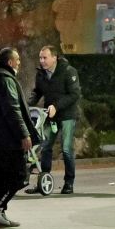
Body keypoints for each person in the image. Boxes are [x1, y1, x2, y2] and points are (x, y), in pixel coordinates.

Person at [0, 47, 41, 229]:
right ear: (9, 62)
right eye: (17, 60)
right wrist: (24, 134)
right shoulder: (5, 80)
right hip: (9, 138)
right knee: (20, 176)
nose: (19, 63)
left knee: (3, 176)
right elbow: (12, 109)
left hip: (0, 137)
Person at [26, 44, 81, 196]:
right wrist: (27, 105)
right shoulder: (41, 74)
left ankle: (69, 183)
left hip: (67, 116)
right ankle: (43, 181)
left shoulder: (69, 72)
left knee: (66, 149)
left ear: (54, 57)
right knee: (45, 146)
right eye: (40, 58)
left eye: (45, 58)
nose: (42, 61)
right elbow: (37, 92)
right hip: (50, 116)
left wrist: (56, 106)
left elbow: (74, 94)